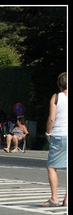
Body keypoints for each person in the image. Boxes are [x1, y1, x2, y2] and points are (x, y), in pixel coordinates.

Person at [42, 72, 67, 207]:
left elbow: (52, 118)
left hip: (59, 134)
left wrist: (48, 132)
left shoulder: (57, 97)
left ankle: (54, 197)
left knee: (52, 167)